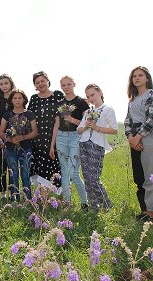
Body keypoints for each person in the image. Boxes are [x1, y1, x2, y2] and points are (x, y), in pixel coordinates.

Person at [50, 76, 89, 209]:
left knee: (74, 172)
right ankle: (67, 203)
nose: (66, 87)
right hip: (61, 137)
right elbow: (56, 124)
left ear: (74, 84)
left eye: (68, 84)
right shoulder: (59, 103)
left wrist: (72, 119)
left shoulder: (81, 102)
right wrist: (52, 145)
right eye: (63, 85)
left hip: (75, 137)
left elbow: (87, 123)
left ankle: (85, 203)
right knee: (64, 171)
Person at [77, 84, 118, 211]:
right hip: (83, 144)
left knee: (94, 178)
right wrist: (86, 126)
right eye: (88, 97)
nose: (91, 98)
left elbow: (115, 130)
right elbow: (79, 129)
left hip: (97, 145)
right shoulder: (88, 111)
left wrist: (97, 128)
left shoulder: (108, 109)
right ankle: (94, 207)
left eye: (92, 95)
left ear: (100, 92)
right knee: (87, 178)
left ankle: (107, 206)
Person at [124, 66, 153, 221]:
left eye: (140, 75)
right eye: (134, 76)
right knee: (139, 177)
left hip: (148, 140)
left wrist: (138, 137)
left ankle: (151, 211)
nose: (136, 78)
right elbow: (127, 121)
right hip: (134, 141)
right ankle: (145, 210)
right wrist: (130, 137)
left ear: (147, 78)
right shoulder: (132, 101)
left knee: (150, 176)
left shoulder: (151, 95)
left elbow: (151, 118)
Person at [0, 89, 38, 201]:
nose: (17, 100)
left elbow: (35, 132)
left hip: (26, 148)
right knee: (13, 173)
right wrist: (11, 139)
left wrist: (24, 137)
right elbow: (1, 132)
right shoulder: (7, 115)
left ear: (24, 99)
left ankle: (28, 199)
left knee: (25, 174)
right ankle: (15, 199)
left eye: (20, 98)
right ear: (11, 100)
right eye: (15, 98)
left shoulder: (29, 114)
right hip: (11, 149)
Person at [28, 71, 64, 188]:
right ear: (35, 85)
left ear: (48, 81)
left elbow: (66, 110)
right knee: (40, 167)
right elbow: (28, 117)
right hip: (38, 139)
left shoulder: (58, 95)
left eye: (42, 81)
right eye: (37, 82)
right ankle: (42, 198)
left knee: (54, 166)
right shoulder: (33, 98)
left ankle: (55, 197)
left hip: (54, 137)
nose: (40, 84)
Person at [0, 74, 16, 200]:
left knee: (13, 166)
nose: (4, 86)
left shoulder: (16, 98)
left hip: (15, 138)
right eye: (1, 84)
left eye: (6, 83)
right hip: (1, 139)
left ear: (11, 83)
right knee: (2, 166)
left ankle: (14, 193)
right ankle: (3, 194)